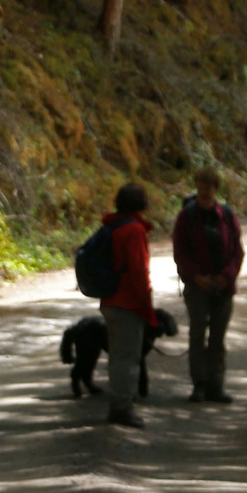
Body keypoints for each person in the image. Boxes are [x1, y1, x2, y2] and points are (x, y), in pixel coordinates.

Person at [171, 167, 244, 403]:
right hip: (197, 287)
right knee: (197, 336)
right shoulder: (187, 217)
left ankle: (216, 385)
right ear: (197, 186)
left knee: (217, 338)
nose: (204, 191)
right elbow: (180, 253)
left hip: (223, 287)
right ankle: (199, 385)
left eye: (209, 187)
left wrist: (226, 277)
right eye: (201, 186)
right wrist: (197, 277)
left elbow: (237, 252)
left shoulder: (227, 216)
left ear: (216, 189)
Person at [98, 182, 157, 428]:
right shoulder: (133, 230)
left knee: (117, 357)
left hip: (110, 300)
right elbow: (138, 271)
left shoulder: (112, 226)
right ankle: (122, 408)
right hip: (127, 303)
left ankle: (119, 403)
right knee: (127, 358)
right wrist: (146, 302)